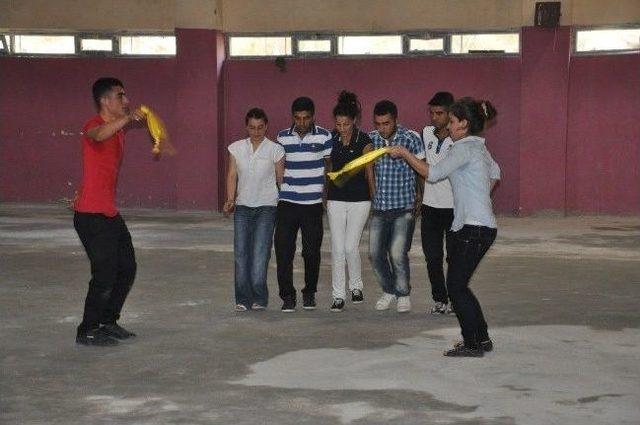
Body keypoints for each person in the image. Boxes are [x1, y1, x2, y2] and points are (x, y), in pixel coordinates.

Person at [389, 97, 501, 357]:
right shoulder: (479, 148)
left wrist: (404, 153)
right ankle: (481, 339)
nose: (448, 127)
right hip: (480, 226)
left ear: (463, 124)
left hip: (473, 228)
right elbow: (496, 173)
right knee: (460, 286)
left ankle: (472, 343)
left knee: (456, 288)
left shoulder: (463, 148)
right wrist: (479, 195)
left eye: (452, 121)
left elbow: (434, 174)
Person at [73, 77, 144, 346]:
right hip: (91, 215)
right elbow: (98, 135)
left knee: (127, 268)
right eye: (120, 96)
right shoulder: (94, 125)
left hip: (108, 212)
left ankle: (107, 321)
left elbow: (96, 167)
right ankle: (87, 329)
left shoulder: (118, 132)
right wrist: (127, 119)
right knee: (104, 274)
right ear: (105, 101)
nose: (126, 101)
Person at [223, 108, 285, 312]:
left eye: (260, 127)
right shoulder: (236, 148)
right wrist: (230, 199)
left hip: (267, 207)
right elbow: (232, 175)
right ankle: (242, 298)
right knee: (241, 254)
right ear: (246, 127)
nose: (256, 131)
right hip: (242, 207)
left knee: (260, 254)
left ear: (266, 126)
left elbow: (280, 179)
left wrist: (285, 202)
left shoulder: (275, 150)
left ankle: (260, 297)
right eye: (252, 127)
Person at [274, 97, 332, 312]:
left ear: (313, 116)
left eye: (306, 118)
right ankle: (287, 296)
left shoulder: (325, 136)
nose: (302, 122)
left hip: (312, 204)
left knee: (311, 252)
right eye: (298, 118)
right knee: (283, 251)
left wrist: (326, 197)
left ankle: (309, 293)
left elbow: (329, 167)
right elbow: (278, 167)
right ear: (293, 117)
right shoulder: (281, 137)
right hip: (287, 202)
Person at [368, 100, 425, 313]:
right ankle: (389, 290)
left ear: (395, 120)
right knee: (374, 254)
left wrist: (422, 197)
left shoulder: (410, 139)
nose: (382, 128)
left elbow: (421, 170)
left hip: (404, 207)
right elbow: (368, 170)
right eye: (378, 123)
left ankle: (403, 293)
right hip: (380, 208)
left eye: (386, 123)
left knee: (397, 252)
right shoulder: (371, 139)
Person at [326, 91, 374, 312]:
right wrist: (324, 197)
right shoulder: (330, 139)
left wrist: (375, 199)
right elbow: (328, 169)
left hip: (360, 201)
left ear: (354, 121)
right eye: (338, 124)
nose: (342, 128)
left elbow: (369, 173)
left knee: (350, 247)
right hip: (335, 200)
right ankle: (338, 295)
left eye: (346, 124)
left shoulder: (365, 141)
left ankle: (356, 286)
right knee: (337, 248)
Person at [420, 91, 456, 315]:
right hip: (430, 207)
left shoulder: (461, 139)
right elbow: (422, 165)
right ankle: (440, 299)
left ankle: (454, 299)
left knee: (453, 258)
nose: (434, 117)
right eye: (431, 113)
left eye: (439, 113)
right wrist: (418, 195)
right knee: (432, 257)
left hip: (454, 207)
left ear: (450, 113)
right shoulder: (426, 133)